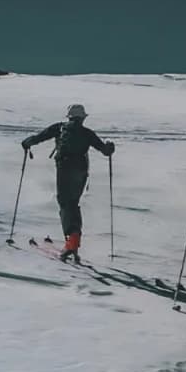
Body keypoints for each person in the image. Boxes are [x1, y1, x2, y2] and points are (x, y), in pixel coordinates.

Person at [20, 104, 115, 261]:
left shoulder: (60, 128)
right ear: (83, 118)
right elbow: (105, 151)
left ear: (69, 117)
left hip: (64, 170)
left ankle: (71, 240)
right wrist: (110, 147)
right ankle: (73, 240)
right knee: (73, 204)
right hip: (81, 172)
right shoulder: (87, 133)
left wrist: (27, 143)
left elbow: (40, 137)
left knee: (65, 204)